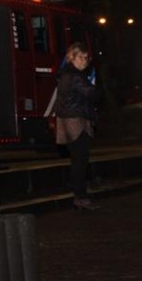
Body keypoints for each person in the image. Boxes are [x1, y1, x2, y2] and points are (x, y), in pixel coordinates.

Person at [55, 42, 98, 210]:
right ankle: (80, 196)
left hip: (70, 119)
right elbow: (91, 93)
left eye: (86, 58)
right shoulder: (75, 76)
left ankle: (80, 195)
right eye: (80, 57)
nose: (84, 61)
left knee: (78, 159)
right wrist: (95, 88)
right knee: (80, 159)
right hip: (76, 121)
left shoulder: (66, 74)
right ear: (71, 58)